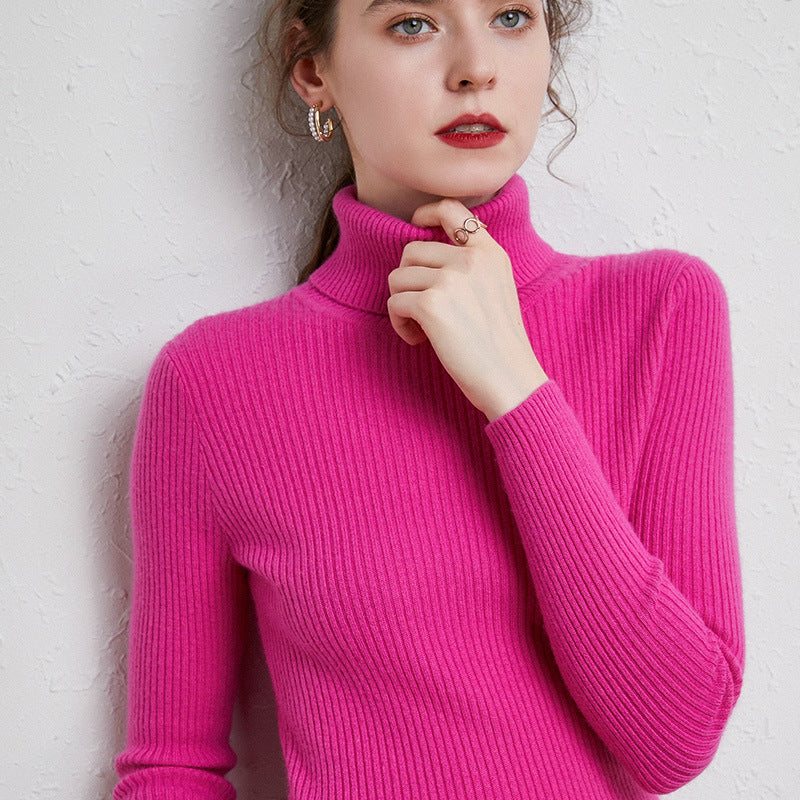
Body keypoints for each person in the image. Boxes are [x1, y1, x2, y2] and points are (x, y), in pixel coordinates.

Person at [113, 0, 745, 798]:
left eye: (511, 16)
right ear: (314, 72)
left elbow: (675, 740)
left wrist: (514, 388)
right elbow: (173, 768)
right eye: (413, 23)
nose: (476, 67)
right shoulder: (213, 380)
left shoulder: (660, 310)